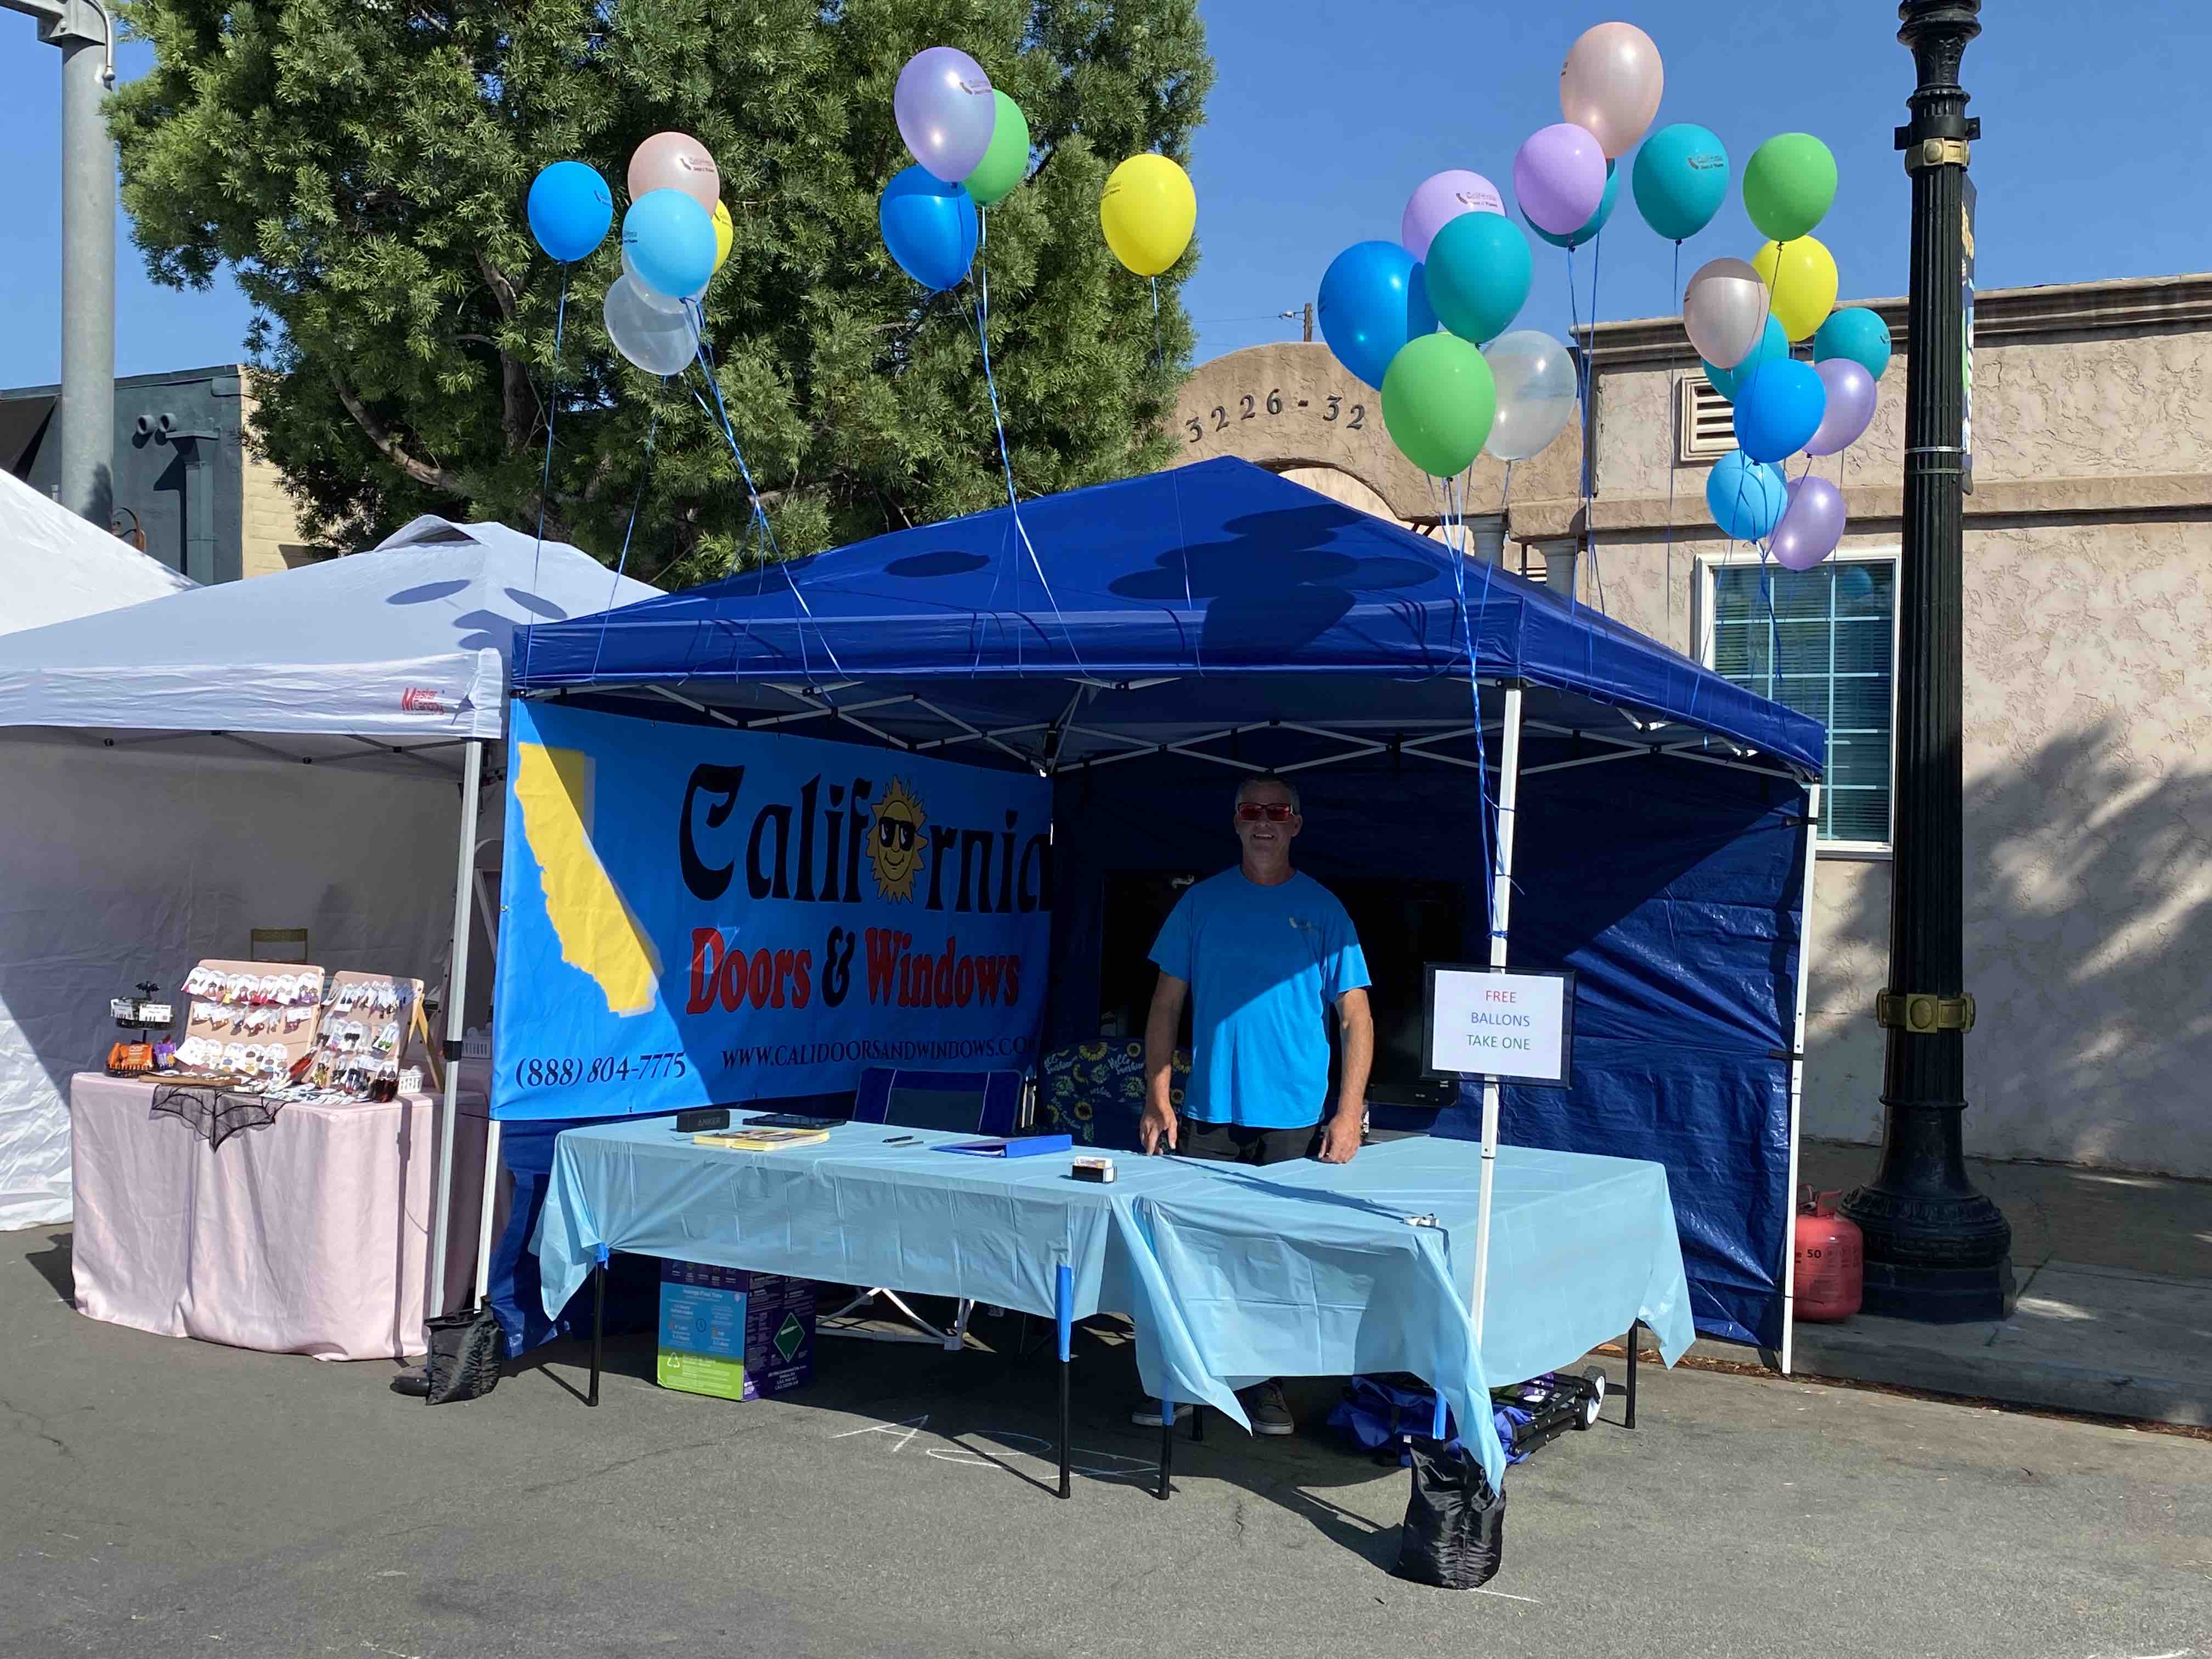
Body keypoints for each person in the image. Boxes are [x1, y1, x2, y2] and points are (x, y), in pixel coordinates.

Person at [1133, 775, 1373, 1435]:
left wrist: (1347, 1113)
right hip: (1209, 1113)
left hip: (1295, 1120)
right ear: (1236, 822)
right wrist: (1157, 1098)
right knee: (1190, 1253)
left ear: (1296, 823)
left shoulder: (1324, 910)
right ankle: (1184, 1381)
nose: (1263, 822)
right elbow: (1164, 1005)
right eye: (1250, 811)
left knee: (1272, 1259)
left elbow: (1356, 1018)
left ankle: (1262, 1386)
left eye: (1276, 812)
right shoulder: (1201, 904)